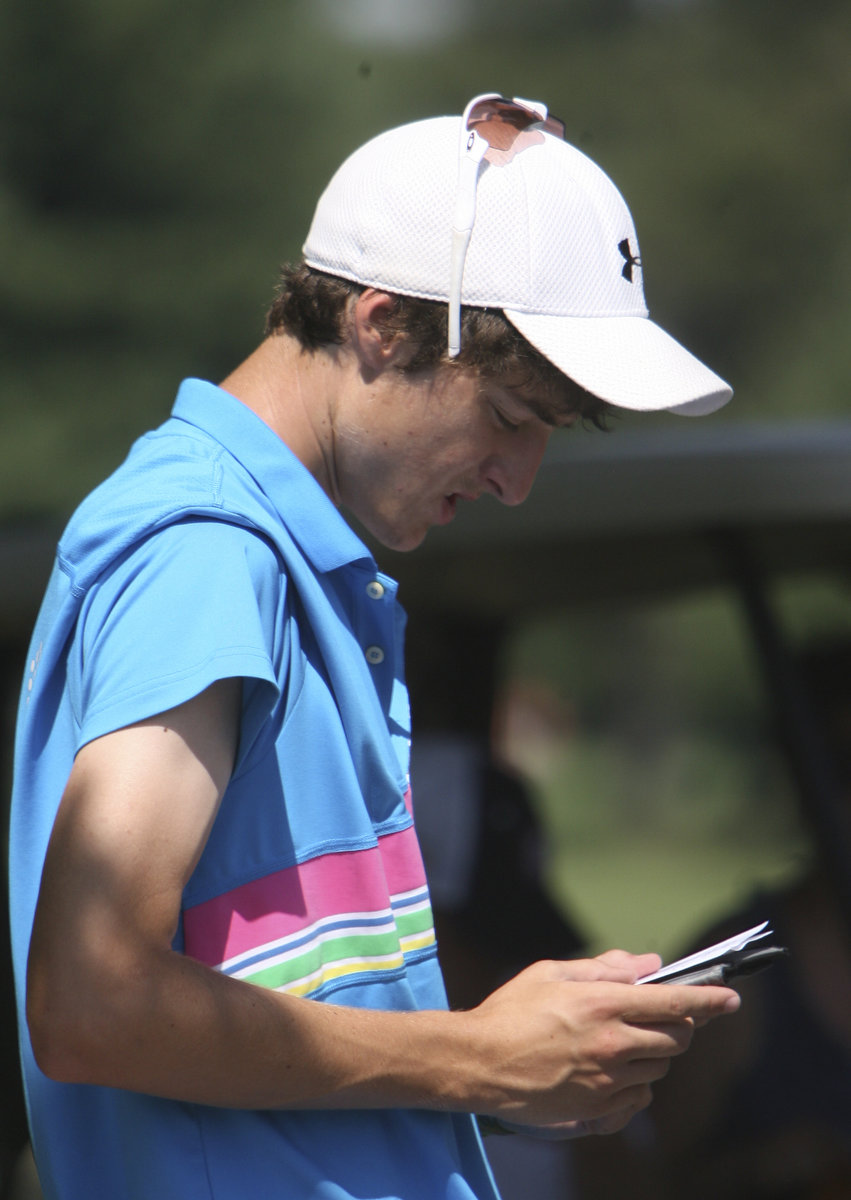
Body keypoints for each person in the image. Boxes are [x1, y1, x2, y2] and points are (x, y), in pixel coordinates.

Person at [9, 92, 738, 1200]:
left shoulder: (289, 562)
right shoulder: (209, 557)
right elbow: (92, 1003)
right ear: (381, 324)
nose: (517, 480)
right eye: (506, 414)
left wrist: (530, 1038)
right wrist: (489, 1058)